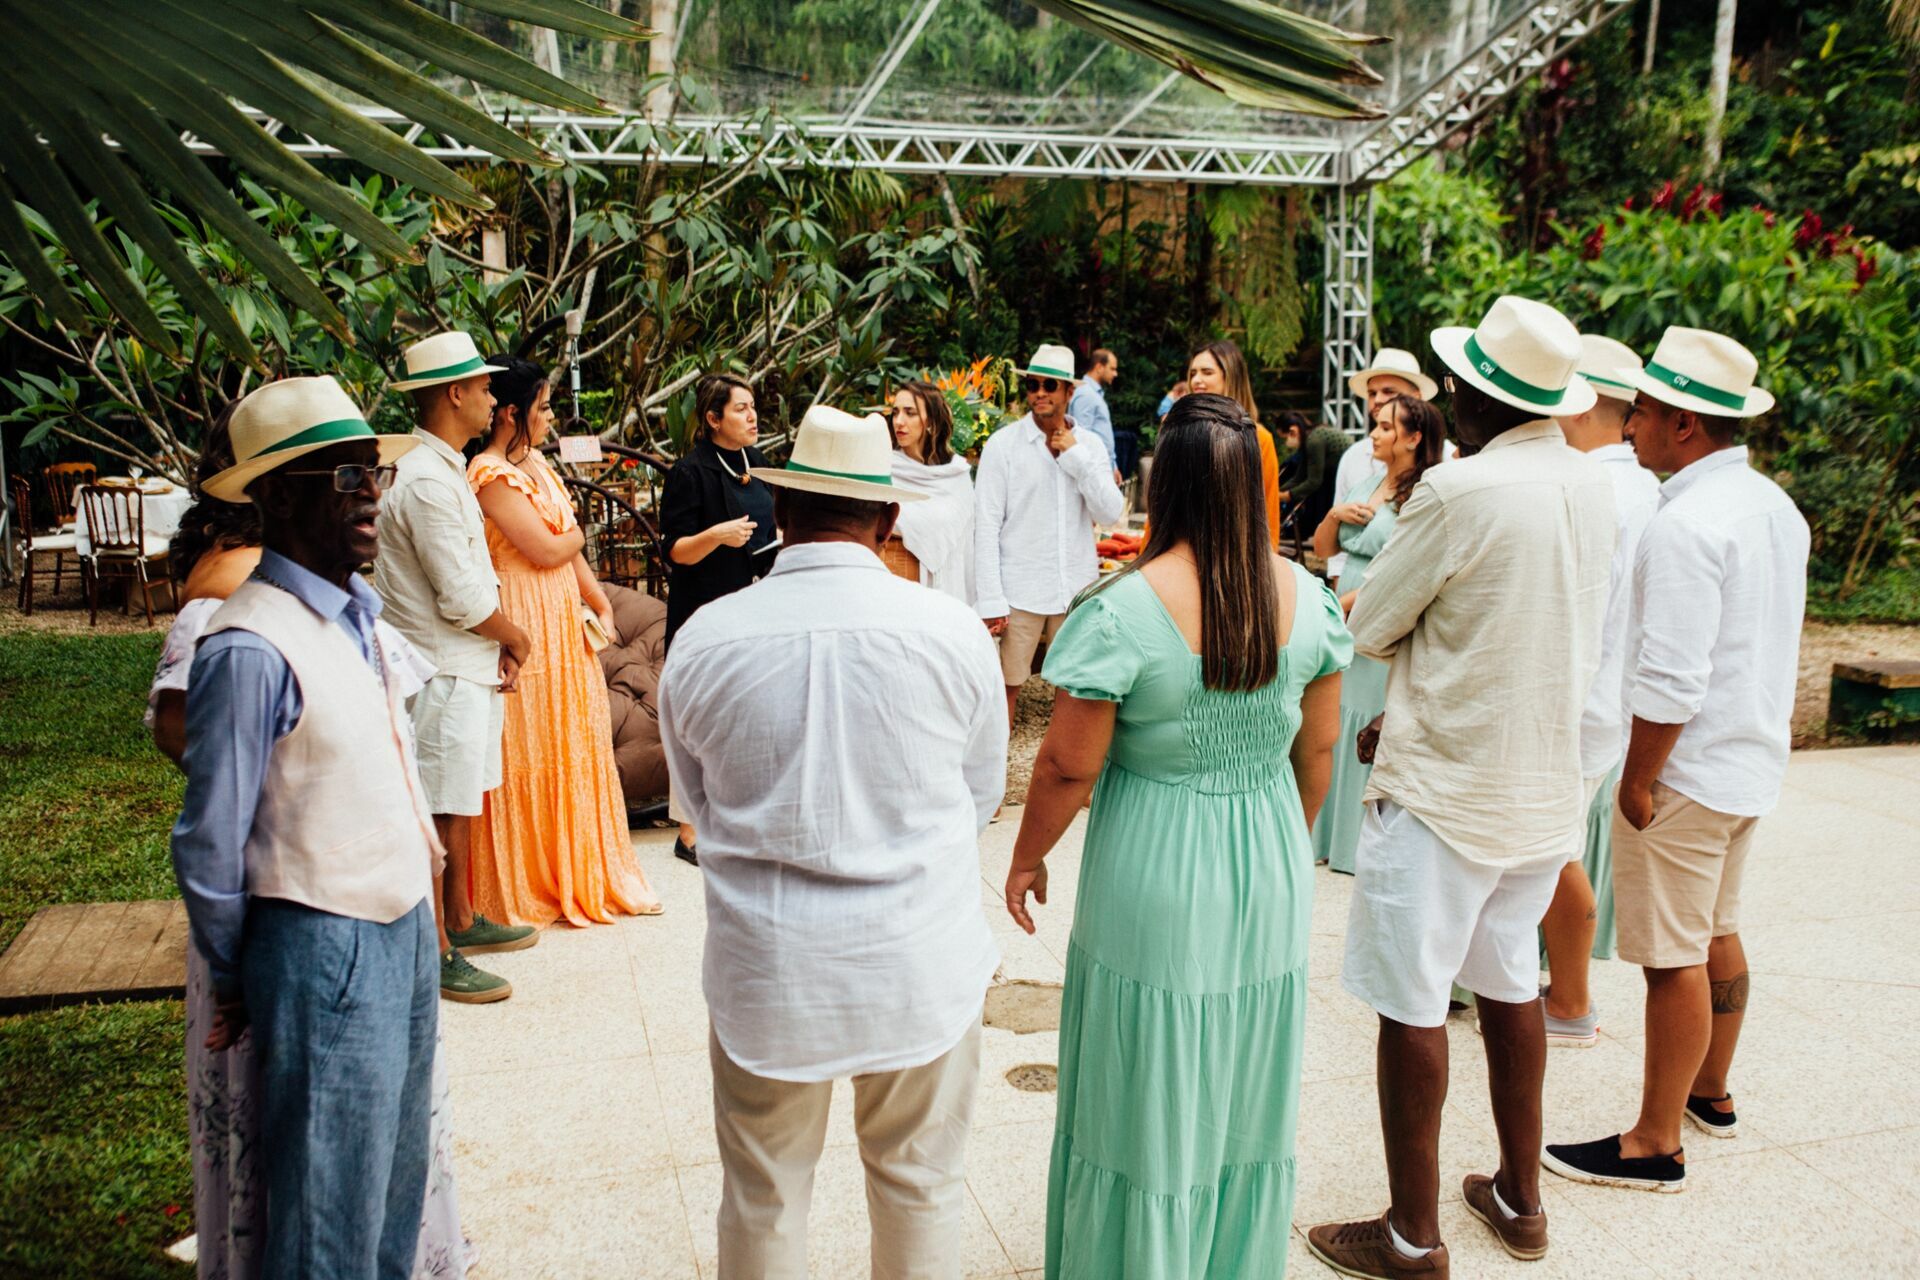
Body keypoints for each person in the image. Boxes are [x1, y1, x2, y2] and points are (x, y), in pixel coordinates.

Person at [1004, 391, 1349, 1276]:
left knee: (1144, 1084)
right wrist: (1275, 841)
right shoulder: (1307, 599)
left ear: (1174, 483)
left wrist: (1026, 856)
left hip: (1157, 865)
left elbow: (1066, 767)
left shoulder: (1123, 611)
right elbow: (1318, 749)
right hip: (1267, 859)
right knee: (1243, 1080)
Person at [658, 406, 1006, 1279]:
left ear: (780, 506)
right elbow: (978, 794)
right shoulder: (953, 632)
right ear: (888, 520)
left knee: (763, 1195)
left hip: (769, 973)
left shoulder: (706, 640)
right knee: (921, 1184)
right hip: (919, 960)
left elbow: (694, 804)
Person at [1309, 296, 1615, 1277]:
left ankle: (1411, 1233)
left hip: (1445, 790)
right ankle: (1521, 1197)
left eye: (1455, 385)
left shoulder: (1460, 490)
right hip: (1540, 786)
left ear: (1481, 394)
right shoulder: (1597, 485)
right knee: (1511, 981)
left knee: (1413, 999)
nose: (1444, 399)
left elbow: (1369, 624)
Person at [150, 404, 471, 1280]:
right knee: (326, 1211)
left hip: (395, 920)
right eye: (346, 477)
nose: (370, 495)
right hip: (322, 937)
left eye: (376, 472)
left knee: (391, 1190)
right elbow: (209, 839)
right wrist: (237, 968)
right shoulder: (250, 643)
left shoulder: (353, 613)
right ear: (278, 499)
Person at [1546, 328, 1807, 1193]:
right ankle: (1711, 1092)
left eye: (1648, 412)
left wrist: (1636, 777)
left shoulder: (1685, 522)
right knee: (1717, 928)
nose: (1632, 426)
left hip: (1686, 771)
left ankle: (1654, 1142)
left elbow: (1670, 677)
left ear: (1687, 425)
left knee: (1671, 957)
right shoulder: (1774, 506)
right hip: (1750, 758)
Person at [465, 357, 662, 927]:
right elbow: (547, 547)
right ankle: (528, 876)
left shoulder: (536, 466)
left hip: (561, 614)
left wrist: (596, 598)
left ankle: (578, 867)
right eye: (543, 407)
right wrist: (576, 532)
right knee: (528, 742)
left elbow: (567, 552)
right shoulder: (489, 473)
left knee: (571, 735)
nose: (551, 417)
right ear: (510, 414)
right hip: (524, 612)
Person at [375, 332, 537, 1005]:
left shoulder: (439, 470)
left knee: (460, 799)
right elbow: (462, 597)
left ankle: (462, 918)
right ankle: (437, 944)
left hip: (461, 663)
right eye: (484, 388)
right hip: (441, 670)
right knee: (441, 807)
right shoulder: (425, 482)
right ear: (454, 395)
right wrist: (517, 636)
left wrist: (496, 637)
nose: (494, 398)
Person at [1534, 334, 1663, 1049]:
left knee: (1552, 848)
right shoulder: (1645, 485)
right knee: (1557, 842)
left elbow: (1576, 608)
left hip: (1579, 698)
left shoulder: (1595, 488)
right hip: (1612, 697)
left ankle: (1572, 1002)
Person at [1309, 395, 1444, 877]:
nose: (1375, 432)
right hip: (1343, 605)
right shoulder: (1367, 483)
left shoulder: (1422, 495)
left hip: (1374, 615)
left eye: (1387, 426)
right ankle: (1325, 836)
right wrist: (1333, 518)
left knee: (1365, 719)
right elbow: (1324, 551)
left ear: (1413, 438)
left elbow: (1398, 573)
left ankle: (1355, 845)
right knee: (1334, 716)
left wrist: (1337, 609)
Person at [974, 343, 1126, 728]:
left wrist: (1075, 458)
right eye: (1033, 385)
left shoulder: (1088, 446)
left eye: (1050, 385)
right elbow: (986, 524)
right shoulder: (1003, 446)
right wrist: (991, 597)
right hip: (1019, 587)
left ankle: (1062, 766)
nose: (1039, 392)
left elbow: (1110, 512)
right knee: (1007, 684)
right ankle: (995, 773)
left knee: (1073, 687)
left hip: (1074, 588)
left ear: (1069, 392)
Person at [658, 372, 778, 865]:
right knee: (697, 718)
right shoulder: (690, 473)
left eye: (753, 407)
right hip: (703, 611)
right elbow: (674, 552)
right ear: (712, 419)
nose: (752, 417)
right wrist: (717, 535)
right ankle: (688, 830)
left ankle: (742, 818)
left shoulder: (761, 464)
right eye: (741, 409)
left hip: (758, 607)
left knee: (751, 716)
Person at [1329, 349, 1439, 587]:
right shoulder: (1354, 456)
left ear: (1416, 397)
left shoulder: (1445, 459)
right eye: (1371, 393)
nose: (1378, 399)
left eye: (1389, 391)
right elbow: (1335, 551)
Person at [1184, 340, 1282, 549]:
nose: (1196, 380)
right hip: (1181, 558)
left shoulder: (1259, 438)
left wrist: (1268, 566)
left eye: (1207, 372)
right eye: (1193, 373)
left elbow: (1268, 513)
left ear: (1230, 376)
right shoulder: (1179, 433)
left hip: (1235, 557)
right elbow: (1160, 509)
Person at [888, 378, 975, 602]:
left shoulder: (956, 476)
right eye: (895, 412)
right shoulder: (885, 468)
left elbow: (968, 546)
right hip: (897, 584)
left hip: (949, 591)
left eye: (910, 413)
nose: (899, 421)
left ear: (931, 421)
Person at [1067, 346, 1124, 485]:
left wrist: (1113, 466)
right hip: (1093, 470)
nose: (1115, 374)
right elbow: (1081, 436)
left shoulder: (1094, 393)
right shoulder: (1086, 394)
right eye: (1112, 368)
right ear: (1099, 367)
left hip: (1102, 467)